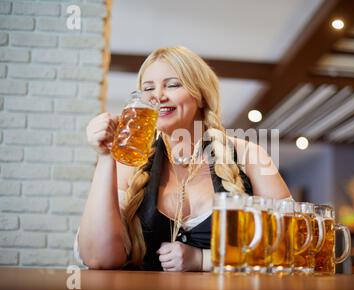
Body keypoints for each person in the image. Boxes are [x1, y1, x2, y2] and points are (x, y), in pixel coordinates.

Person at [76, 46, 291, 271]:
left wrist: (203, 259)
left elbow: (291, 246)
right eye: (148, 88)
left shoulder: (250, 155)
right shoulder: (130, 162)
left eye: (172, 84)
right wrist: (105, 156)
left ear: (201, 96)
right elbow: (98, 258)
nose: (158, 96)